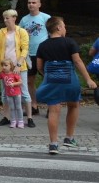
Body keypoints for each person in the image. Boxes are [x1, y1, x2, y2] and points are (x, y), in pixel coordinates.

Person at [35, 17, 96, 153]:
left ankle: (53, 144)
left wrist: (47, 75)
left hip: (52, 79)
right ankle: (69, 138)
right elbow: (78, 62)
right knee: (73, 105)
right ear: (58, 28)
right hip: (69, 79)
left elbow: (39, 66)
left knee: (54, 110)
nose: (65, 28)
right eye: (64, 26)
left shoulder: (43, 45)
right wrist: (88, 79)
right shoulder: (70, 42)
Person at [0, 9, 33, 127]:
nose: (5, 20)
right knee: (5, 93)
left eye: (7, 18)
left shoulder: (22, 32)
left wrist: (19, 64)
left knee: (24, 92)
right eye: (4, 18)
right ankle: (7, 117)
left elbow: (25, 49)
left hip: (19, 66)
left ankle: (29, 118)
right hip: (5, 67)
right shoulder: (1, 32)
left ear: (14, 18)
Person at [19, 0, 51, 115]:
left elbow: (53, 33)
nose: (31, 5)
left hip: (44, 54)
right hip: (29, 54)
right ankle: (34, 105)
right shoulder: (24, 20)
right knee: (29, 81)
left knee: (48, 79)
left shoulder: (46, 18)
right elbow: (20, 36)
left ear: (39, 4)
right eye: (29, 3)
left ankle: (50, 107)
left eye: (34, 2)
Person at [0, 59, 24, 128]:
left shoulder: (14, 73)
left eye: (6, 65)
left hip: (17, 94)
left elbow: (20, 82)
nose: (4, 67)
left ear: (11, 66)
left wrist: (14, 84)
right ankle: (13, 121)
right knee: (11, 108)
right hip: (9, 94)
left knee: (18, 107)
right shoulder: (2, 74)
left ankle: (20, 121)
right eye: (3, 65)